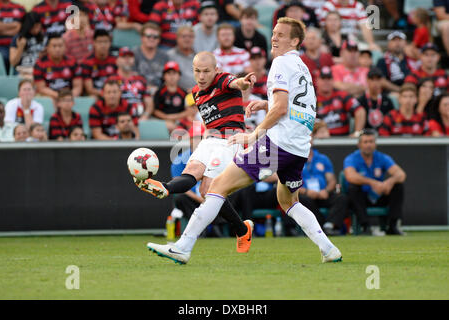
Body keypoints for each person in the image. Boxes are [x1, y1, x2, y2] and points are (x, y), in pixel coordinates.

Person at [145, 18, 342, 264]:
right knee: (288, 201)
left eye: (281, 35)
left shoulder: (280, 62)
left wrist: (252, 134)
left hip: (277, 144)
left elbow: (280, 109)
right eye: (273, 33)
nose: (274, 38)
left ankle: (183, 247)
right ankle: (328, 249)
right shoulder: (302, 67)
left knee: (216, 187)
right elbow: (301, 107)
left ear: (294, 41)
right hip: (299, 147)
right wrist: (266, 104)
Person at [134, 51, 258, 259]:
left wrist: (244, 83)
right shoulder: (196, 94)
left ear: (215, 70)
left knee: (210, 189)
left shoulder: (222, 79)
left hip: (230, 140)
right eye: (197, 71)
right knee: (195, 177)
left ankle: (184, 244)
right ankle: (165, 188)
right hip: (210, 139)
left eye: (206, 71)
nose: (201, 76)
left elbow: (237, 84)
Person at [344, 129, 407, 235]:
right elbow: (350, 176)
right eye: (365, 142)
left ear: (375, 144)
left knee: (398, 186)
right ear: (359, 144)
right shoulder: (351, 158)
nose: (368, 145)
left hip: (379, 195)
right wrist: (372, 183)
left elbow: (401, 174)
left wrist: (389, 182)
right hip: (362, 197)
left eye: (371, 142)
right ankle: (365, 227)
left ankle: (392, 226)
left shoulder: (382, 157)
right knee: (352, 188)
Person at [299, 123, 349, 236]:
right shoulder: (294, 158)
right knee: (302, 201)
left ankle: (329, 225)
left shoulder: (323, 158)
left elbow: (331, 180)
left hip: (322, 194)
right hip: (305, 194)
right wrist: (307, 192)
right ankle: (322, 225)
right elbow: (289, 183)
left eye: (310, 136)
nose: (308, 139)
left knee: (341, 198)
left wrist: (326, 191)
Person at [315, 66, 365, 136]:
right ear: (317, 81)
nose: (326, 82)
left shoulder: (342, 95)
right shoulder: (312, 99)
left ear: (333, 80)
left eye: (329, 78)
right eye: (323, 79)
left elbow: (360, 111)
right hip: (321, 141)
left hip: (343, 140)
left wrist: (357, 133)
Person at [108, 47, 154, 120]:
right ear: (117, 61)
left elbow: (149, 102)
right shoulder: (112, 80)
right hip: (120, 119)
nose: (127, 59)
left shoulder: (141, 79)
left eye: (130, 57)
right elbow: (109, 103)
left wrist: (145, 116)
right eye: (124, 57)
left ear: (133, 60)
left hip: (141, 117)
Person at [33, 33, 83, 99]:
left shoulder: (72, 62)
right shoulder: (40, 64)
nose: (57, 49)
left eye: (60, 46)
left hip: (69, 97)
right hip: (50, 97)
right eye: (54, 46)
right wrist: (60, 97)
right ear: (47, 48)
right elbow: (41, 88)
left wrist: (69, 97)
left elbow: (78, 87)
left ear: (65, 47)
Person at [152, 61, 194, 132]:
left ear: (179, 76)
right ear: (164, 76)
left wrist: (173, 117)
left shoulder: (184, 93)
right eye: (168, 73)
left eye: (174, 73)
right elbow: (155, 111)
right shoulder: (159, 92)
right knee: (170, 126)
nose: (171, 76)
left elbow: (189, 110)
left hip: (180, 120)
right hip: (163, 121)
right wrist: (167, 117)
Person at [133, 22, 170, 95]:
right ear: (142, 37)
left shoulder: (164, 56)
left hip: (160, 93)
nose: (152, 39)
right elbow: (131, 76)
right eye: (148, 36)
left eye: (155, 37)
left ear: (159, 39)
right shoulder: (134, 54)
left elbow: (167, 78)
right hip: (138, 91)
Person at [356, 67, 396, 132]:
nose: (375, 82)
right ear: (367, 80)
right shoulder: (360, 100)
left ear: (382, 81)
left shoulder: (387, 100)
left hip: (383, 136)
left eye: (378, 79)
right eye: (372, 79)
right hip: (365, 136)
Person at [81, 29, 117, 97]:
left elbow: (119, 82)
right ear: (94, 43)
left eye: (105, 42)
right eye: (100, 42)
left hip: (112, 93)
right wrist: (105, 94)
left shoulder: (115, 60)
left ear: (110, 43)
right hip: (97, 94)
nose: (103, 45)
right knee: (92, 97)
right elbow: (89, 89)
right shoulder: (87, 62)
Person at [9, 12, 46, 78]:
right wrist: (20, 48)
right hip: (23, 70)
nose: (36, 30)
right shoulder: (18, 38)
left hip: (40, 69)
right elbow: (13, 63)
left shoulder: (44, 37)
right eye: (34, 27)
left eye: (38, 26)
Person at [167, 25, 196, 92]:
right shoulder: (170, 55)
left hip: (197, 93)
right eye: (184, 36)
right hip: (177, 94)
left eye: (190, 36)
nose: (187, 39)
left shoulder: (198, 57)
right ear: (177, 38)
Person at [0, 0, 26, 73]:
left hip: (16, 45)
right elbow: (17, 27)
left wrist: (2, 29)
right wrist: (14, 25)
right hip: (0, 46)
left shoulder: (20, 8)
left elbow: (21, 28)